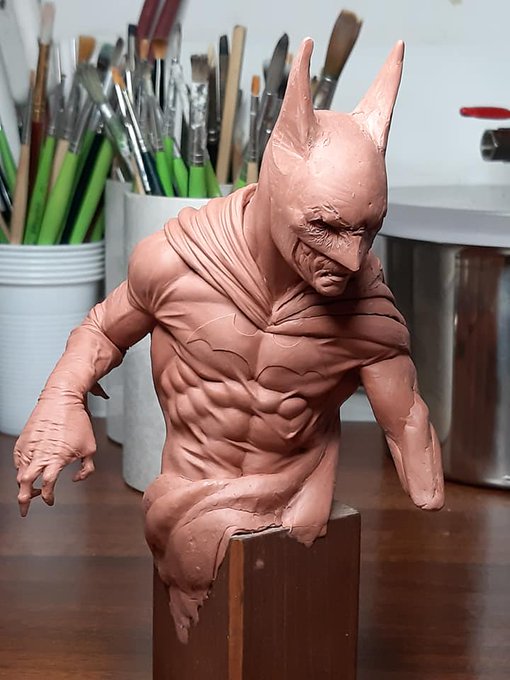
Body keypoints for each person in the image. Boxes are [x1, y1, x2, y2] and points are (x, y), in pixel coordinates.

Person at [14, 38, 444, 643]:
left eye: (367, 231)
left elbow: (406, 420)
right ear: (275, 184)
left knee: (287, 637)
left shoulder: (365, 309)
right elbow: (102, 330)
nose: (351, 259)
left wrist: (419, 459)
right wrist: (59, 398)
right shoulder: (176, 263)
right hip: (182, 493)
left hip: (295, 502)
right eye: (326, 227)